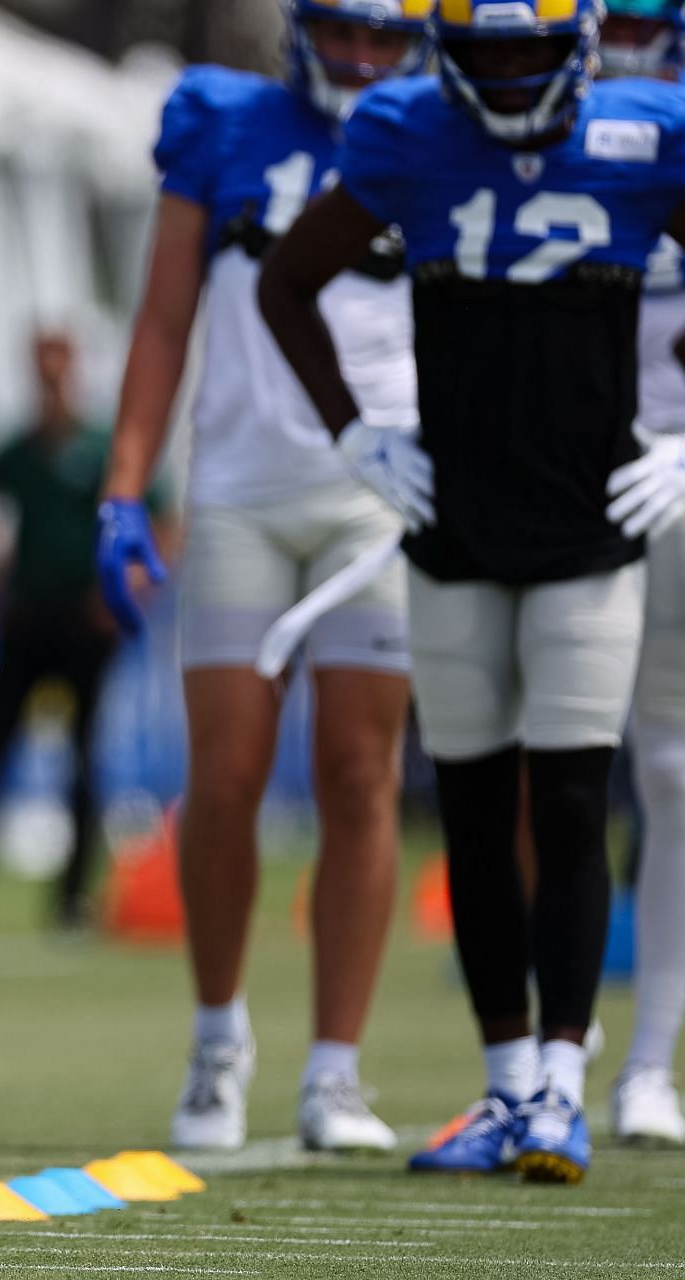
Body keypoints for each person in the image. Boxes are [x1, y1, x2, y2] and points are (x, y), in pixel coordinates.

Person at [258, 0, 685, 1183]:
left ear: (582, 48)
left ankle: (562, 1080)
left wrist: (684, 435)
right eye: (481, 51)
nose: (502, 76)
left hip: (588, 523)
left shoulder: (647, 135)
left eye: (526, 52)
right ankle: (507, 1086)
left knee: (569, 801)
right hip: (452, 523)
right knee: (475, 813)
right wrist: (355, 438)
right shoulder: (409, 137)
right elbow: (285, 283)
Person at [98, 0, 428, 1153]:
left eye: (389, 37)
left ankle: (335, 1067)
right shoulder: (223, 122)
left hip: (378, 493)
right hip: (239, 487)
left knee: (359, 774)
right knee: (227, 773)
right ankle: (216, 1032)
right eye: (346, 30)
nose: (364, 57)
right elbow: (163, 317)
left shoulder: (444, 127)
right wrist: (126, 479)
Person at [0, 331, 161, 928]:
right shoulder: (16, 450)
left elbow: (160, 518)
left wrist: (123, 592)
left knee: (85, 760)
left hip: (86, 620)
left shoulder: (101, 448)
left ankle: (71, 902)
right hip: (30, 619)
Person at [597, 0, 685, 1147]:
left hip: (670, 473)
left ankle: (652, 1057)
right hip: (550, 474)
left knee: (669, 768)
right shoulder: (487, 123)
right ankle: (530, 1061)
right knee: (522, 763)